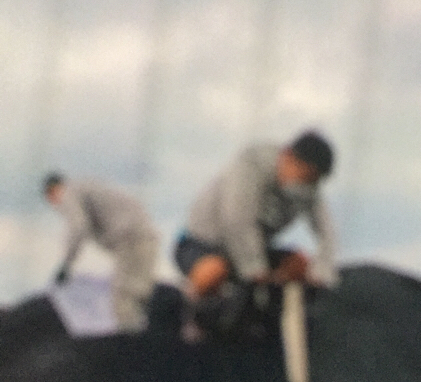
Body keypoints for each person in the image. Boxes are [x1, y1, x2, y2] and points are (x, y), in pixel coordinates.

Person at [174, 130, 339, 342]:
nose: (305, 186)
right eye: (304, 176)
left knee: (299, 265)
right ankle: (188, 318)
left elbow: (327, 232)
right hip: (203, 243)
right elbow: (237, 222)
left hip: (254, 250)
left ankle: (275, 324)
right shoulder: (251, 165)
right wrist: (257, 273)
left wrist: (322, 274)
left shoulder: (309, 189)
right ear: (288, 156)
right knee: (214, 271)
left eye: (312, 181)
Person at [42, 173, 160, 333]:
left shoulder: (68, 192)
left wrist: (66, 264)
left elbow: (78, 227)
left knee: (125, 300)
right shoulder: (86, 187)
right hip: (144, 238)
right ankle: (153, 340)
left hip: (130, 241)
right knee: (142, 297)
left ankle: (132, 345)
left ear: (52, 191)